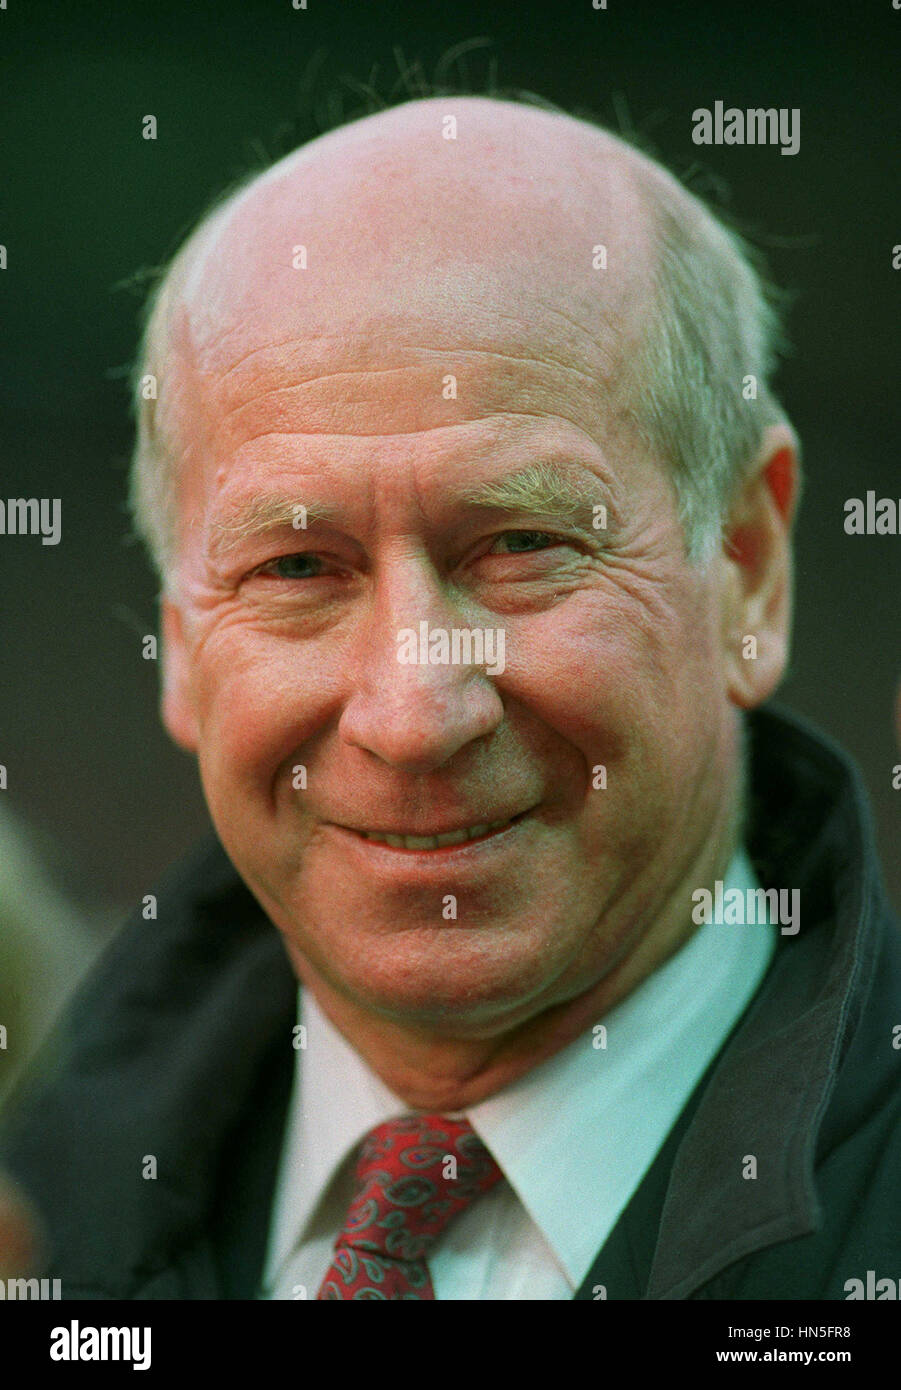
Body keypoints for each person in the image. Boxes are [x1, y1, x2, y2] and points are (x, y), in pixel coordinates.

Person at [1, 94, 898, 1302]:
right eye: (298, 568)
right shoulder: (34, 1214)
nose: (412, 714)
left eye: (520, 543)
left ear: (747, 566)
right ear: (176, 643)